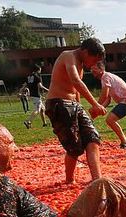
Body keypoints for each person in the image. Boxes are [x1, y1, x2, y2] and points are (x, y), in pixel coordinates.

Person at [45, 38, 107, 184]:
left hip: (73, 105)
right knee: (75, 147)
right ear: (85, 52)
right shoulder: (68, 56)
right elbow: (75, 81)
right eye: (94, 59)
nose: (94, 64)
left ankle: (97, 180)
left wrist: (80, 109)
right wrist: (95, 104)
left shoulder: (80, 63)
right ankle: (69, 180)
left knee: (93, 138)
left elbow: (76, 89)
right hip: (58, 104)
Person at [90, 61, 126, 149]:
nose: (92, 71)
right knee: (110, 120)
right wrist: (100, 108)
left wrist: (96, 106)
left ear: (101, 69)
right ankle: (125, 141)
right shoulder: (105, 77)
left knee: (110, 120)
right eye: (91, 69)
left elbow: (104, 96)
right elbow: (108, 99)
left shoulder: (105, 77)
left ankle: (125, 142)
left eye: (94, 69)